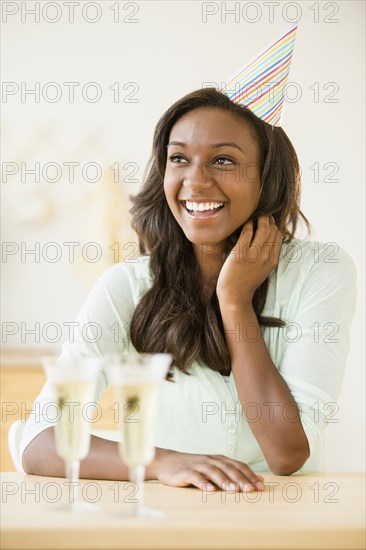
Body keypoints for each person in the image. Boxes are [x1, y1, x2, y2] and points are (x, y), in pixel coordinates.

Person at [21, 87, 356, 493]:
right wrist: (162, 461)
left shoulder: (320, 271)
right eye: (179, 158)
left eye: (223, 160)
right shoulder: (127, 286)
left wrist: (234, 301)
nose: (195, 182)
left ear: (268, 176)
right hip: (167, 519)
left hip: (281, 519)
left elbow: (286, 455)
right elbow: (40, 443)